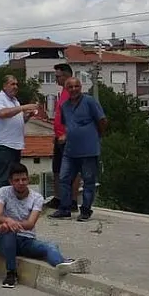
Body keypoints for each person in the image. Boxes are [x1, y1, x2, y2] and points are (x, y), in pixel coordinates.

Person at [0, 162, 90, 288]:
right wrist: (8, 222)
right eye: (17, 180)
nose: (21, 182)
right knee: (8, 231)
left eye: (24, 179)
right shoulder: (4, 192)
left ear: (28, 179)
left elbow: (30, 224)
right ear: (11, 181)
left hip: (27, 240)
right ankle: (11, 273)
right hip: (6, 239)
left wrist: (8, 222)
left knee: (50, 246)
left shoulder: (37, 197)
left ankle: (63, 264)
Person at [49, 77, 107, 221]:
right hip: (70, 150)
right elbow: (68, 125)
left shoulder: (90, 101)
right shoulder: (64, 106)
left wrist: (96, 136)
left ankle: (86, 210)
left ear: (81, 87)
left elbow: (102, 120)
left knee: (88, 181)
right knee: (63, 178)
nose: (74, 89)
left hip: (89, 150)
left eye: (76, 86)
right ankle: (65, 208)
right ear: (66, 89)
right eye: (70, 87)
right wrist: (64, 136)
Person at [0, 74, 39, 192]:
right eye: (12, 84)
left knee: (13, 179)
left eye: (17, 84)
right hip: (3, 145)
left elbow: (18, 120)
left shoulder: (15, 101)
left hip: (15, 145)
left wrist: (27, 116)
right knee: (4, 179)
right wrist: (24, 107)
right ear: (5, 86)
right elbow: (2, 113)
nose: (15, 87)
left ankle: (9, 206)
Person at [50, 63, 79, 210]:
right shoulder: (63, 92)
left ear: (67, 75)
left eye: (58, 76)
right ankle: (58, 198)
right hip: (59, 137)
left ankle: (72, 201)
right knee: (57, 168)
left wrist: (67, 134)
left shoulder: (72, 93)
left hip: (68, 138)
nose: (56, 79)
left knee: (71, 169)